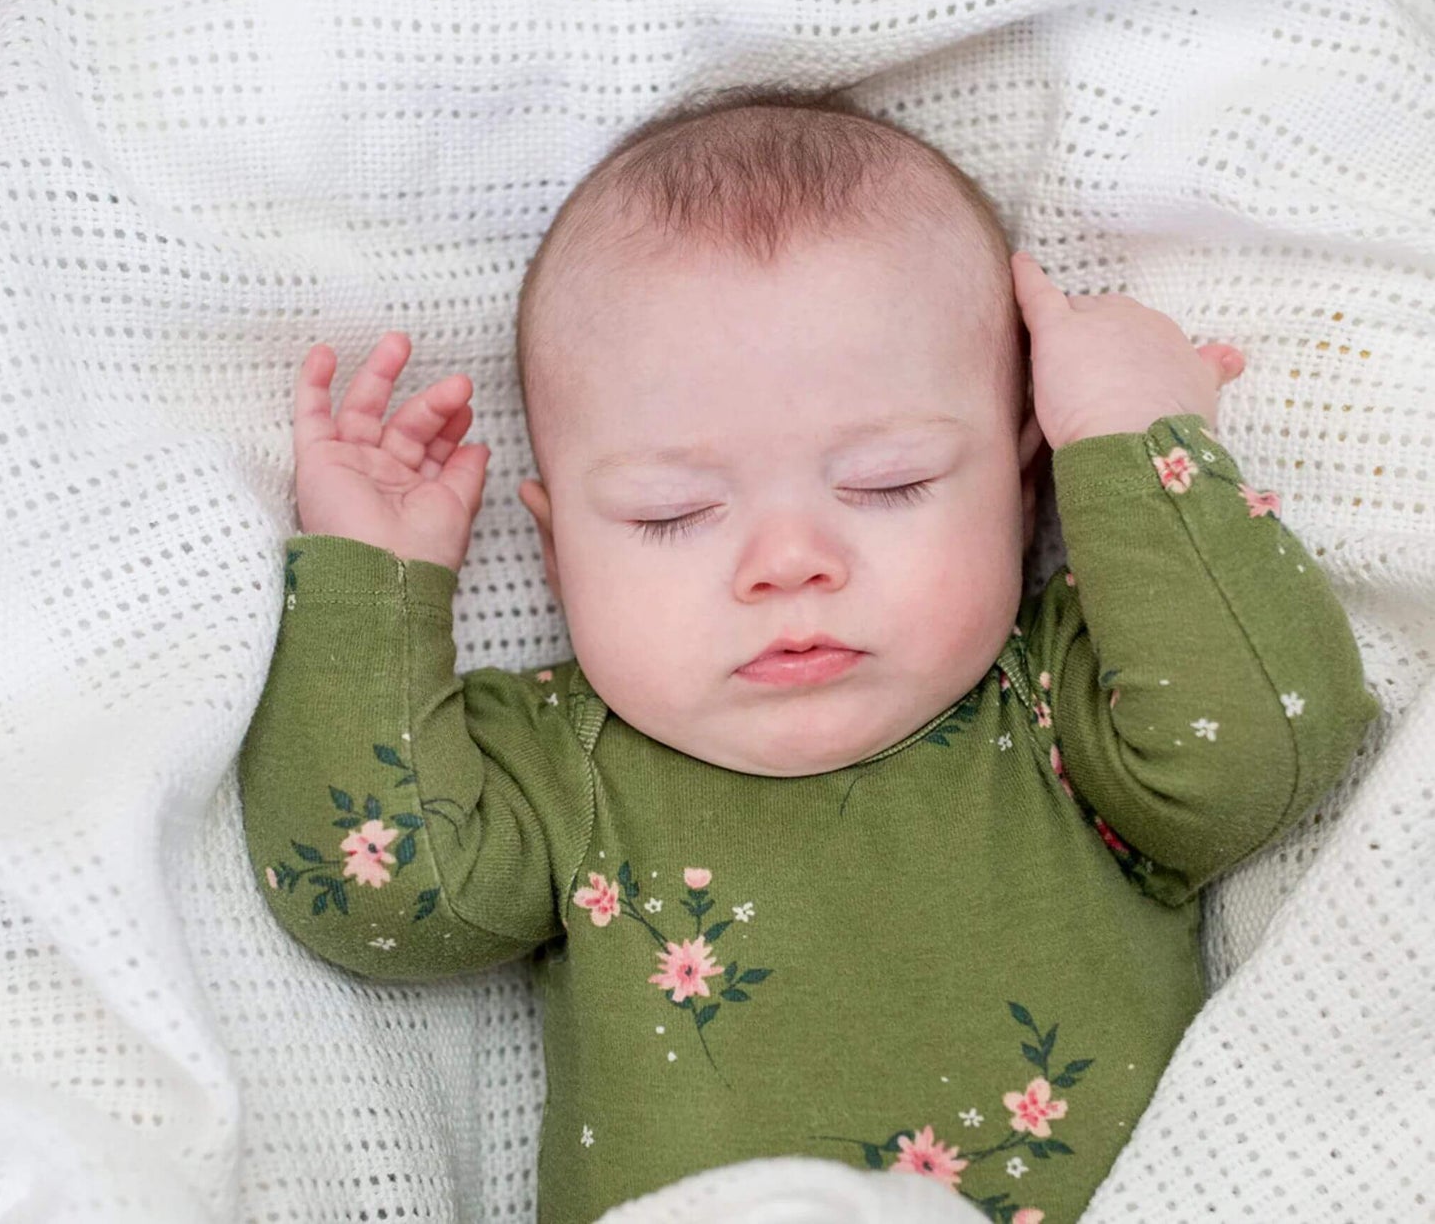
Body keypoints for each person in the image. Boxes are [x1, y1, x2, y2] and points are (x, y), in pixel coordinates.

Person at [236, 82, 1379, 1223]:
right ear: (552, 554)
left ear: (1024, 488)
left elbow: (1264, 750)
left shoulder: (1060, 705)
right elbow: (375, 895)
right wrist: (374, 581)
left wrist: (1130, 438)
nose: (787, 561)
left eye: (886, 483)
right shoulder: (562, 762)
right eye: (670, 511)